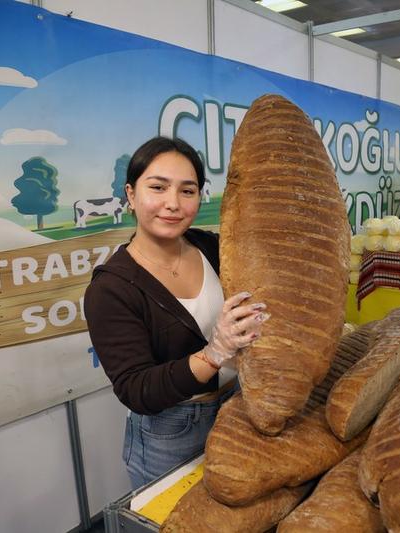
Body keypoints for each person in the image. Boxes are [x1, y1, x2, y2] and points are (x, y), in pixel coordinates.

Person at [84, 136, 267, 489]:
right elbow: (137, 390)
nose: (173, 204)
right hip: (171, 433)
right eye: (158, 187)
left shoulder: (212, 247)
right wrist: (215, 353)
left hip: (238, 410)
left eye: (187, 191)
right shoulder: (111, 289)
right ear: (131, 195)